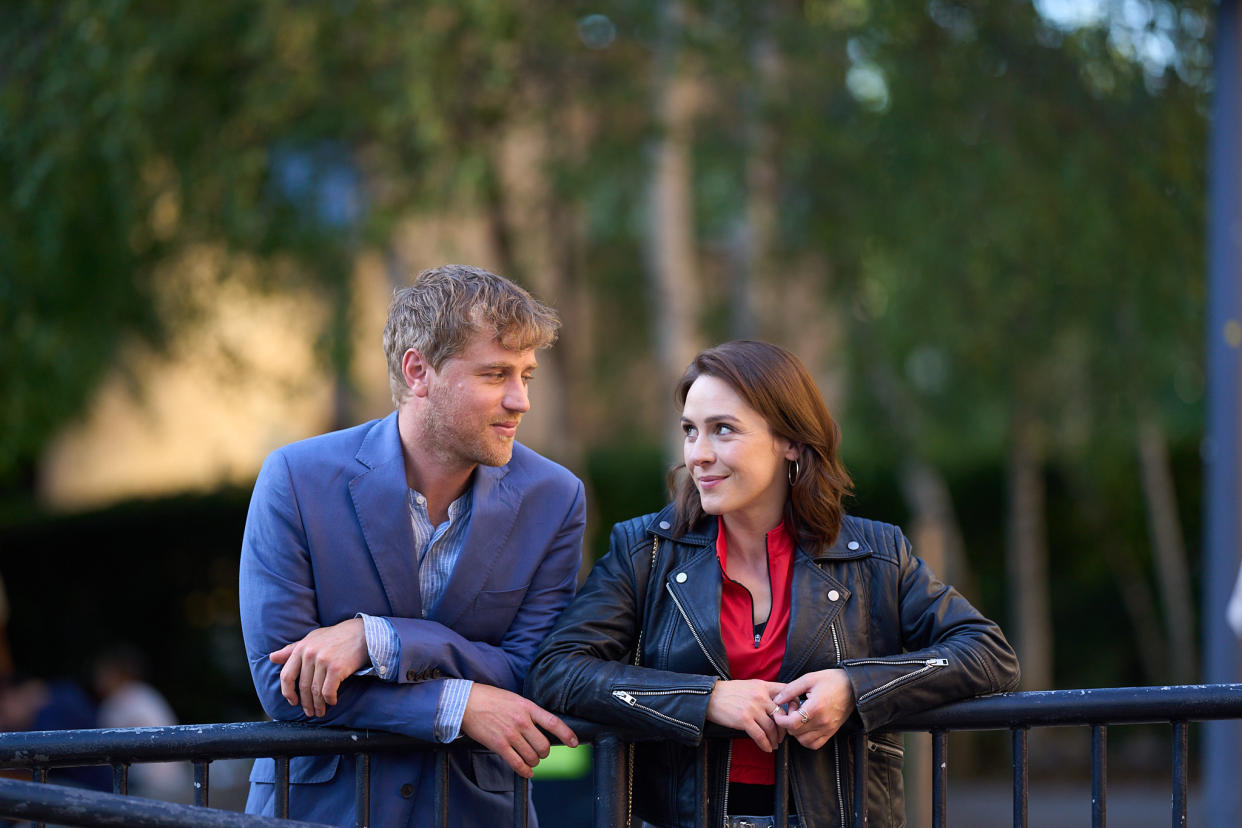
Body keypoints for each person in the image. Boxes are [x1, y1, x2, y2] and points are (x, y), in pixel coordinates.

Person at [525, 340, 1020, 828]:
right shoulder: (646, 550)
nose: (698, 454)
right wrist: (706, 698)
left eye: (723, 430)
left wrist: (855, 686)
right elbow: (557, 671)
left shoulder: (875, 554)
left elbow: (987, 653)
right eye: (690, 431)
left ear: (791, 441)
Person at [239, 264, 585, 827]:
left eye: (527, 375)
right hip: (318, 812)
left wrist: (379, 639)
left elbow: (530, 671)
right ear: (418, 371)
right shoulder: (295, 478)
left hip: (475, 812)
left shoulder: (556, 497)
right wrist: (458, 703)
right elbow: (283, 686)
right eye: (496, 374)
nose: (520, 400)